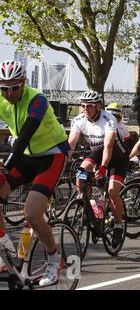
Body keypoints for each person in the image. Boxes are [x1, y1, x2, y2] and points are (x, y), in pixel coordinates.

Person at [0, 60, 70, 286]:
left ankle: (54, 259)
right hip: (27, 157)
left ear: (23, 83)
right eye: (4, 88)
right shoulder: (2, 100)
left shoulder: (37, 99)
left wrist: (7, 166)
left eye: (14, 87)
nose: (9, 93)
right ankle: (7, 251)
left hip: (52, 155)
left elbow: (24, 136)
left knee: (31, 213)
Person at [68, 91, 127, 248]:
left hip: (116, 157)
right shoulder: (79, 119)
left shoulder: (108, 119)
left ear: (98, 106)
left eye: (89, 106)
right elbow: (71, 143)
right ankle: (86, 206)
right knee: (81, 173)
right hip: (97, 152)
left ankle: (118, 225)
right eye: (83, 106)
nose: (85, 109)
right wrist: (63, 161)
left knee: (112, 192)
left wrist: (102, 167)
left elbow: (108, 145)